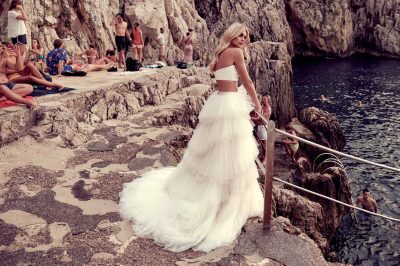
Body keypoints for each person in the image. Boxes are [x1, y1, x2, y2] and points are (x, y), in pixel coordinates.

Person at [120, 23, 263, 252]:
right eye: (241, 35)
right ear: (232, 35)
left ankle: (219, 194)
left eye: (246, 35)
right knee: (234, 151)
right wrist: (257, 105)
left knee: (218, 152)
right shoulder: (235, 53)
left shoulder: (220, 55)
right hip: (230, 103)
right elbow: (246, 82)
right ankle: (226, 201)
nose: (244, 38)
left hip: (219, 101)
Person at [252, 94, 272, 164]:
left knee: (264, 143)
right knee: (261, 143)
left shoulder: (268, 109)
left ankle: (266, 159)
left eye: (265, 99)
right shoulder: (262, 106)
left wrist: (254, 118)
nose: (263, 101)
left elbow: (261, 117)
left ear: (268, 100)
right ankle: (263, 156)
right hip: (259, 126)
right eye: (262, 99)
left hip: (264, 127)